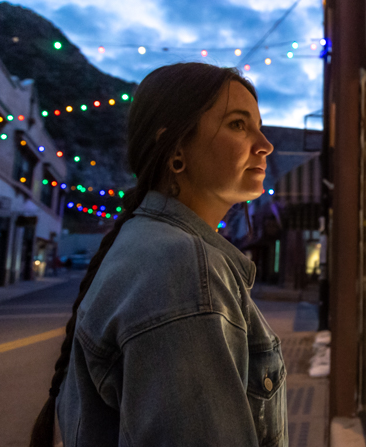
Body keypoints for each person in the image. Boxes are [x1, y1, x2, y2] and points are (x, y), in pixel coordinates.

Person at [29, 63, 285, 447]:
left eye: (259, 126)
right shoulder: (182, 265)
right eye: (238, 124)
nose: (265, 144)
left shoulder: (151, 244)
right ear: (176, 147)